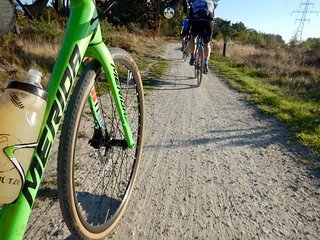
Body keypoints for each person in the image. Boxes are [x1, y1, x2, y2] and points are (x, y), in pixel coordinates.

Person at [168, 0, 218, 74]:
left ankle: (192, 56)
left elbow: (190, 18)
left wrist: (188, 30)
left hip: (197, 20)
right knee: (207, 44)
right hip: (208, 22)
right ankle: (206, 62)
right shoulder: (211, 2)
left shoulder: (194, 2)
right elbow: (213, 16)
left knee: (193, 37)